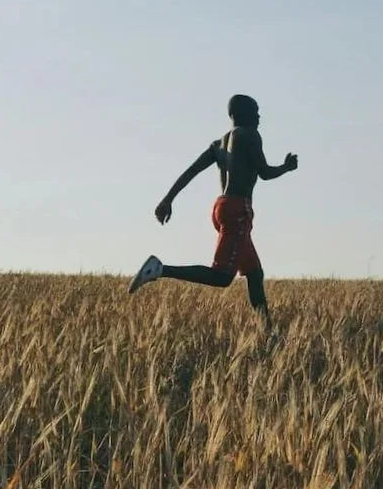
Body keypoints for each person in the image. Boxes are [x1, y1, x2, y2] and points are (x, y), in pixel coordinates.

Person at [128, 94, 298, 328]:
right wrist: (286, 167)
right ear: (241, 114)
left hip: (221, 207)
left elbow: (192, 171)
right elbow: (265, 173)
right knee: (222, 277)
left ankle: (268, 332)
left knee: (254, 274)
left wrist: (168, 199)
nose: (259, 116)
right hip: (238, 210)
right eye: (255, 111)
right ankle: (159, 269)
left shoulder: (218, 144)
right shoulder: (250, 135)